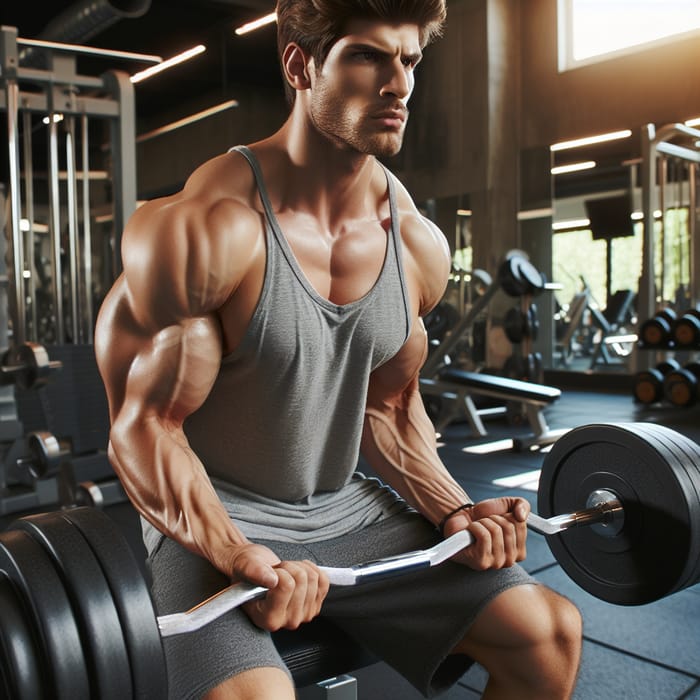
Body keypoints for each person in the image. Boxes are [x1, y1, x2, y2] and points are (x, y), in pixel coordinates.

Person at [95, 0, 583, 698]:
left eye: (409, 60)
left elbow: (389, 407)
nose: (400, 84)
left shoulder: (415, 244)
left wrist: (452, 506)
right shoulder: (209, 232)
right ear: (300, 65)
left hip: (348, 510)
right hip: (217, 524)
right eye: (367, 56)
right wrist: (236, 552)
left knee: (550, 634)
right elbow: (143, 426)